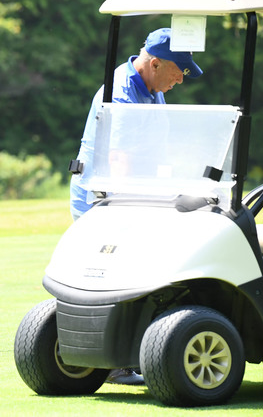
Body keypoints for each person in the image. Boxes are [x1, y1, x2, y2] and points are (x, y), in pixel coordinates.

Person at [69, 27, 203, 385]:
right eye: (179, 70)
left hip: (131, 195)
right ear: (155, 63)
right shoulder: (123, 92)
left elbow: (157, 149)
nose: (182, 79)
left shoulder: (152, 88)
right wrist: (133, 211)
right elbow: (121, 161)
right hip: (103, 200)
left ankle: (142, 352)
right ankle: (111, 362)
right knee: (110, 276)